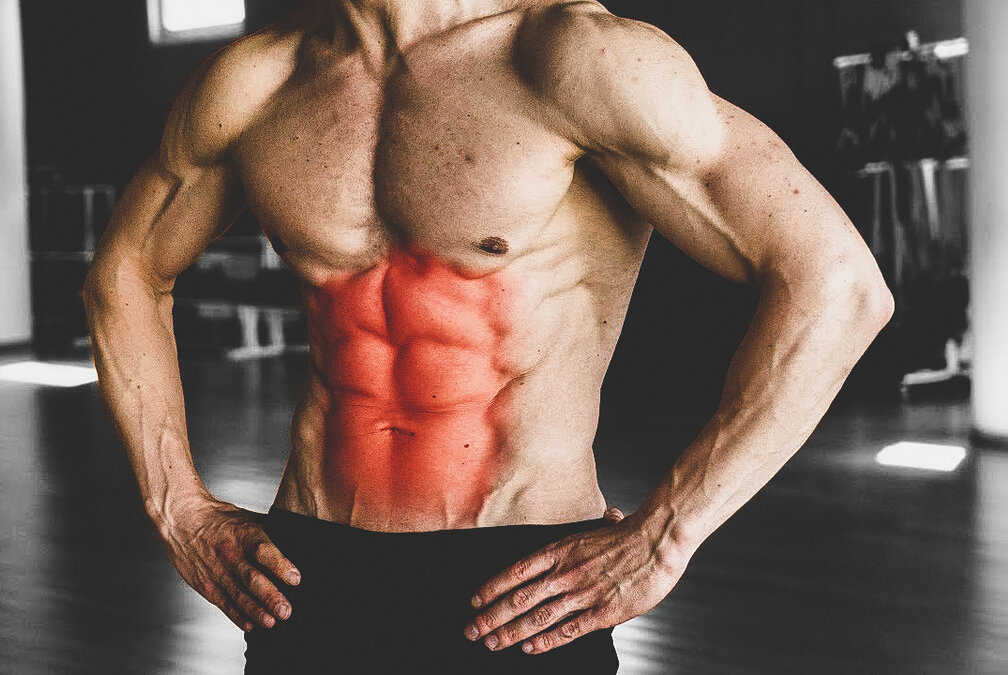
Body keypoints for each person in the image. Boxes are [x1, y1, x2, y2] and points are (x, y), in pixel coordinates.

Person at [81, 0, 894, 672]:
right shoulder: (258, 82)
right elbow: (123, 272)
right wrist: (178, 506)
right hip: (305, 576)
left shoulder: (571, 59)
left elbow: (837, 284)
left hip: (519, 587)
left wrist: (666, 533)